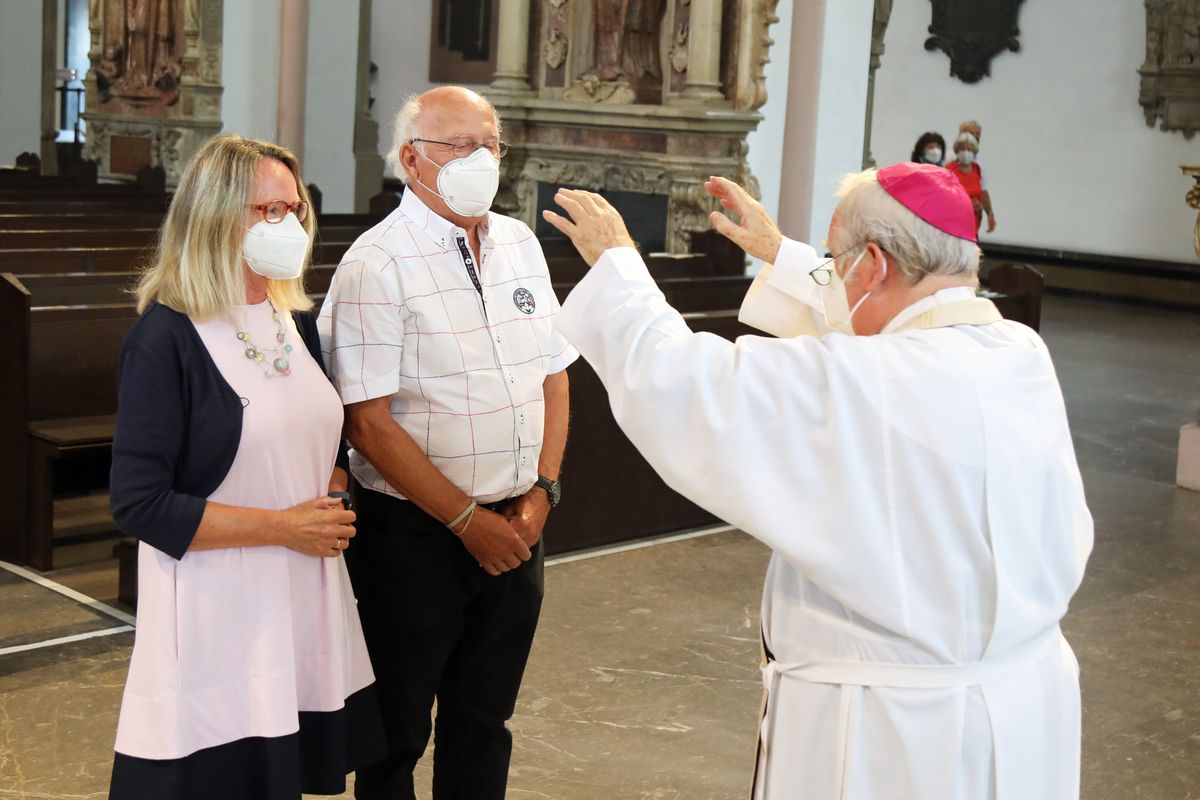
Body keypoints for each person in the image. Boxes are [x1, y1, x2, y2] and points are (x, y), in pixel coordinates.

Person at [541, 163, 1093, 800]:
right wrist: (783, 256)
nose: (834, 271)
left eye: (838, 259)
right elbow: (886, 324)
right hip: (1022, 703)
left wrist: (618, 267)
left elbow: (684, 381)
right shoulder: (1018, 351)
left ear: (878, 263)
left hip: (891, 732)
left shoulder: (869, 380)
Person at [107, 133, 386, 799]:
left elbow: (324, 433)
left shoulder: (293, 317)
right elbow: (138, 503)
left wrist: (335, 491)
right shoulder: (166, 337)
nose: (287, 224)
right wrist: (283, 526)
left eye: (293, 209)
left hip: (299, 591)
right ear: (214, 215)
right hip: (216, 606)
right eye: (267, 211)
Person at [319, 86, 576, 800]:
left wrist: (541, 491)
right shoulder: (377, 264)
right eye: (459, 145)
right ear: (412, 159)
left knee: (485, 719)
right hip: (416, 536)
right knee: (397, 730)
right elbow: (367, 422)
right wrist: (466, 522)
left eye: (491, 143)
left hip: (519, 524)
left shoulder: (520, 244)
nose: (481, 158)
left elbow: (553, 375)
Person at [948, 133, 996, 233]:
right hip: (953, 225)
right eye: (962, 149)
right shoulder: (949, 170)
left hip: (973, 224)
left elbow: (982, 192)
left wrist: (989, 213)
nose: (966, 152)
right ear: (957, 151)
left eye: (969, 149)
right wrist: (968, 204)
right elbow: (945, 198)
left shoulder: (977, 169)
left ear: (974, 152)